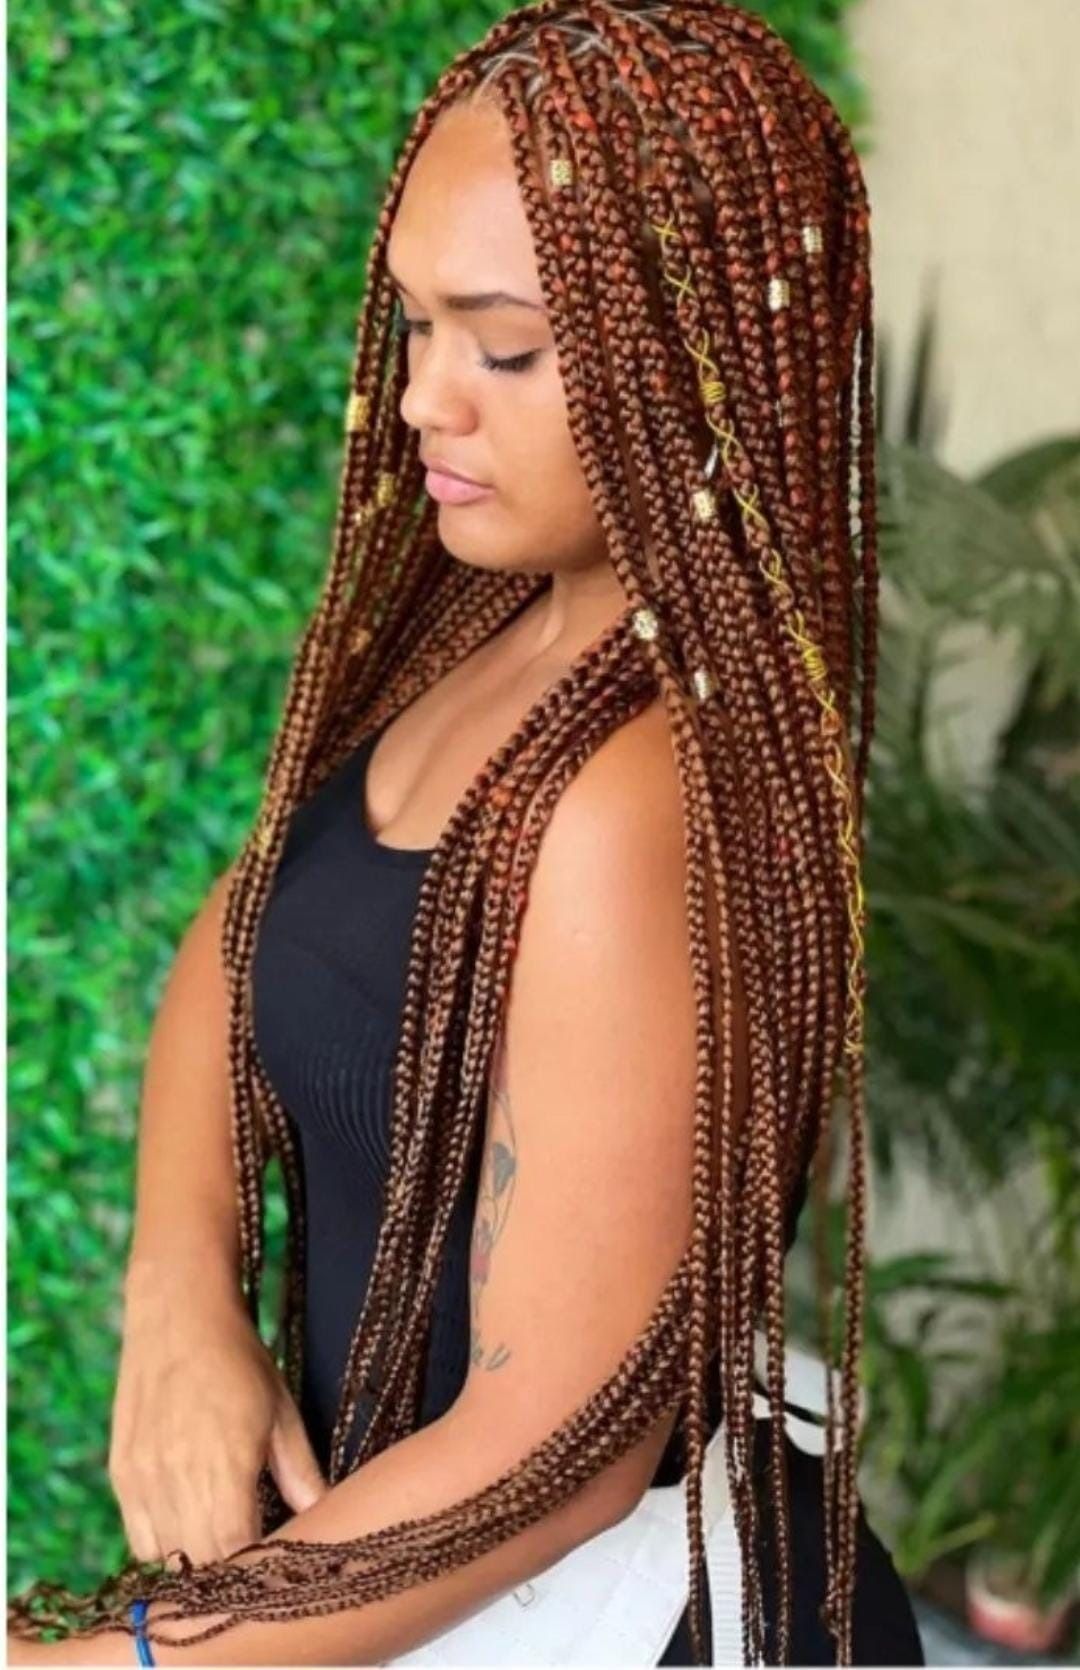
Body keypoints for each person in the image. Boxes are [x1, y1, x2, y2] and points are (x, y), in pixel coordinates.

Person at [7, 2, 925, 1664]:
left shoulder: (640, 787)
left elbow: (545, 1462)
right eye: (416, 322)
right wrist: (178, 1285)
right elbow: (251, 930)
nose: (424, 396)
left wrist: (120, 1658)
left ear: (696, 358)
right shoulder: (508, 635)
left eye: (502, 347)